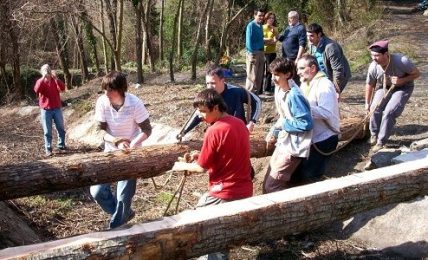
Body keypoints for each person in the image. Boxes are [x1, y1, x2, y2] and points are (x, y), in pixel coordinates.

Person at [173, 88, 253, 260]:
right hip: (245, 189)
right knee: (222, 232)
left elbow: (201, 168)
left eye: (203, 111)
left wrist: (179, 166)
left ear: (216, 108)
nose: (200, 116)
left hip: (224, 192)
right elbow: (226, 154)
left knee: (203, 229)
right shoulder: (239, 123)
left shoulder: (214, 130)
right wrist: (199, 155)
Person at [91, 71, 152, 229]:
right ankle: (124, 214)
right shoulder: (102, 102)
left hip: (130, 155)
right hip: (110, 152)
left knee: (123, 197)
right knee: (97, 191)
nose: (107, 93)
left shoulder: (134, 103)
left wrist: (133, 144)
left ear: (121, 89)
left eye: (110, 90)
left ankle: (115, 229)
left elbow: (147, 130)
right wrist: (115, 141)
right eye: (105, 89)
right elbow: (99, 130)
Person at [263, 58, 313, 193]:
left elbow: (306, 124)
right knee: (267, 180)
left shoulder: (294, 95)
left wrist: (283, 125)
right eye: (272, 74)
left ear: (288, 74)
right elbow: (283, 116)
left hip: (293, 147)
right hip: (284, 142)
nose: (274, 78)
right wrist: (274, 131)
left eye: (277, 75)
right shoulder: (280, 89)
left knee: (272, 186)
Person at [364, 40, 420, 152]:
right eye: (372, 55)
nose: (374, 58)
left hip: (404, 87)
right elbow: (370, 84)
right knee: (374, 107)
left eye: (377, 55)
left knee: (389, 111)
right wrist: (367, 103)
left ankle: (381, 142)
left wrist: (402, 80)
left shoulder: (402, 61)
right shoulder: (373, 66)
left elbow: (417, 74)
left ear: (386, 54)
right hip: (385, 87)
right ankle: (374, 134)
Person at [177, 66, 261, 139]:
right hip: (218, 133)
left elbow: (256, 101)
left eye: (213, 83)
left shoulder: (236, 91)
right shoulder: (208, 96)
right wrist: (183, 132)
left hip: (239, 132)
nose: (210, 87)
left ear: (222, 81)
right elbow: (198, 115)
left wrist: (252, 122)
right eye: (207, 83)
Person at [294, 54, 340, 180]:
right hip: (310, 138)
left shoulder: (324, 85)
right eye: (298, 69)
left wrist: (301, 109)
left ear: (313, 68)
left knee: (309, 175)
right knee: (295, 174)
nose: (298, 72)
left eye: (302, 68)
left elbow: (326, 112)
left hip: (325, 138)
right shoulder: (305, 84)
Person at [307, 23, 351, 94]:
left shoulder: (331, 47)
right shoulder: (312, 45)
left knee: (329, 99)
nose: (309, 39)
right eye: (307, 36)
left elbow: (338, 70)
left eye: (312, 36)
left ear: (319, 34)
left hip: (337, 76)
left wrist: (336, 90)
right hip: (322, 77)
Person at [34, 64, 66, 157]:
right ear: (42, 71)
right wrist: (43, 77)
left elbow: (63, 88)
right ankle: (48, 149)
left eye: (48, 69)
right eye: (45, 70)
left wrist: (56, 79)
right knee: (47, 130)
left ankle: (61, 145)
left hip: (56, 108)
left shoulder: (54, 80)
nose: (47, 71)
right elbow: (36, 90)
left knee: (60, 127)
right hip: (45, 109)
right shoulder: (40, 81)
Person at [245, 8, 266, 94]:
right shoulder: (251, 25)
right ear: (255, 15)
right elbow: (248, 41)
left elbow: (260, 39)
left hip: (261, 52)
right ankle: (248, 95)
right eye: (259, 15)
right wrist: (252, 52)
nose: (261, 17)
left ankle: (256, 95)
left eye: (262, 16)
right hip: (253, 53)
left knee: (259, 75)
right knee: (252, 75)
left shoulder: (260, 26)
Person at [263, 11, 279, 95]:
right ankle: (259, 89)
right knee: (262, 71)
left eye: (273, 18)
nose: (271, 19)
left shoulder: (275, 28)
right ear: (266, 18)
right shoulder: (262, 27)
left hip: (272, 52)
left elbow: (276, 39)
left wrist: (271, 40)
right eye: (270, 18)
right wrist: (269, 40)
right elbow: (261, 40)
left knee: (270, 71)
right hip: (263, 52)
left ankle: (267, 88)